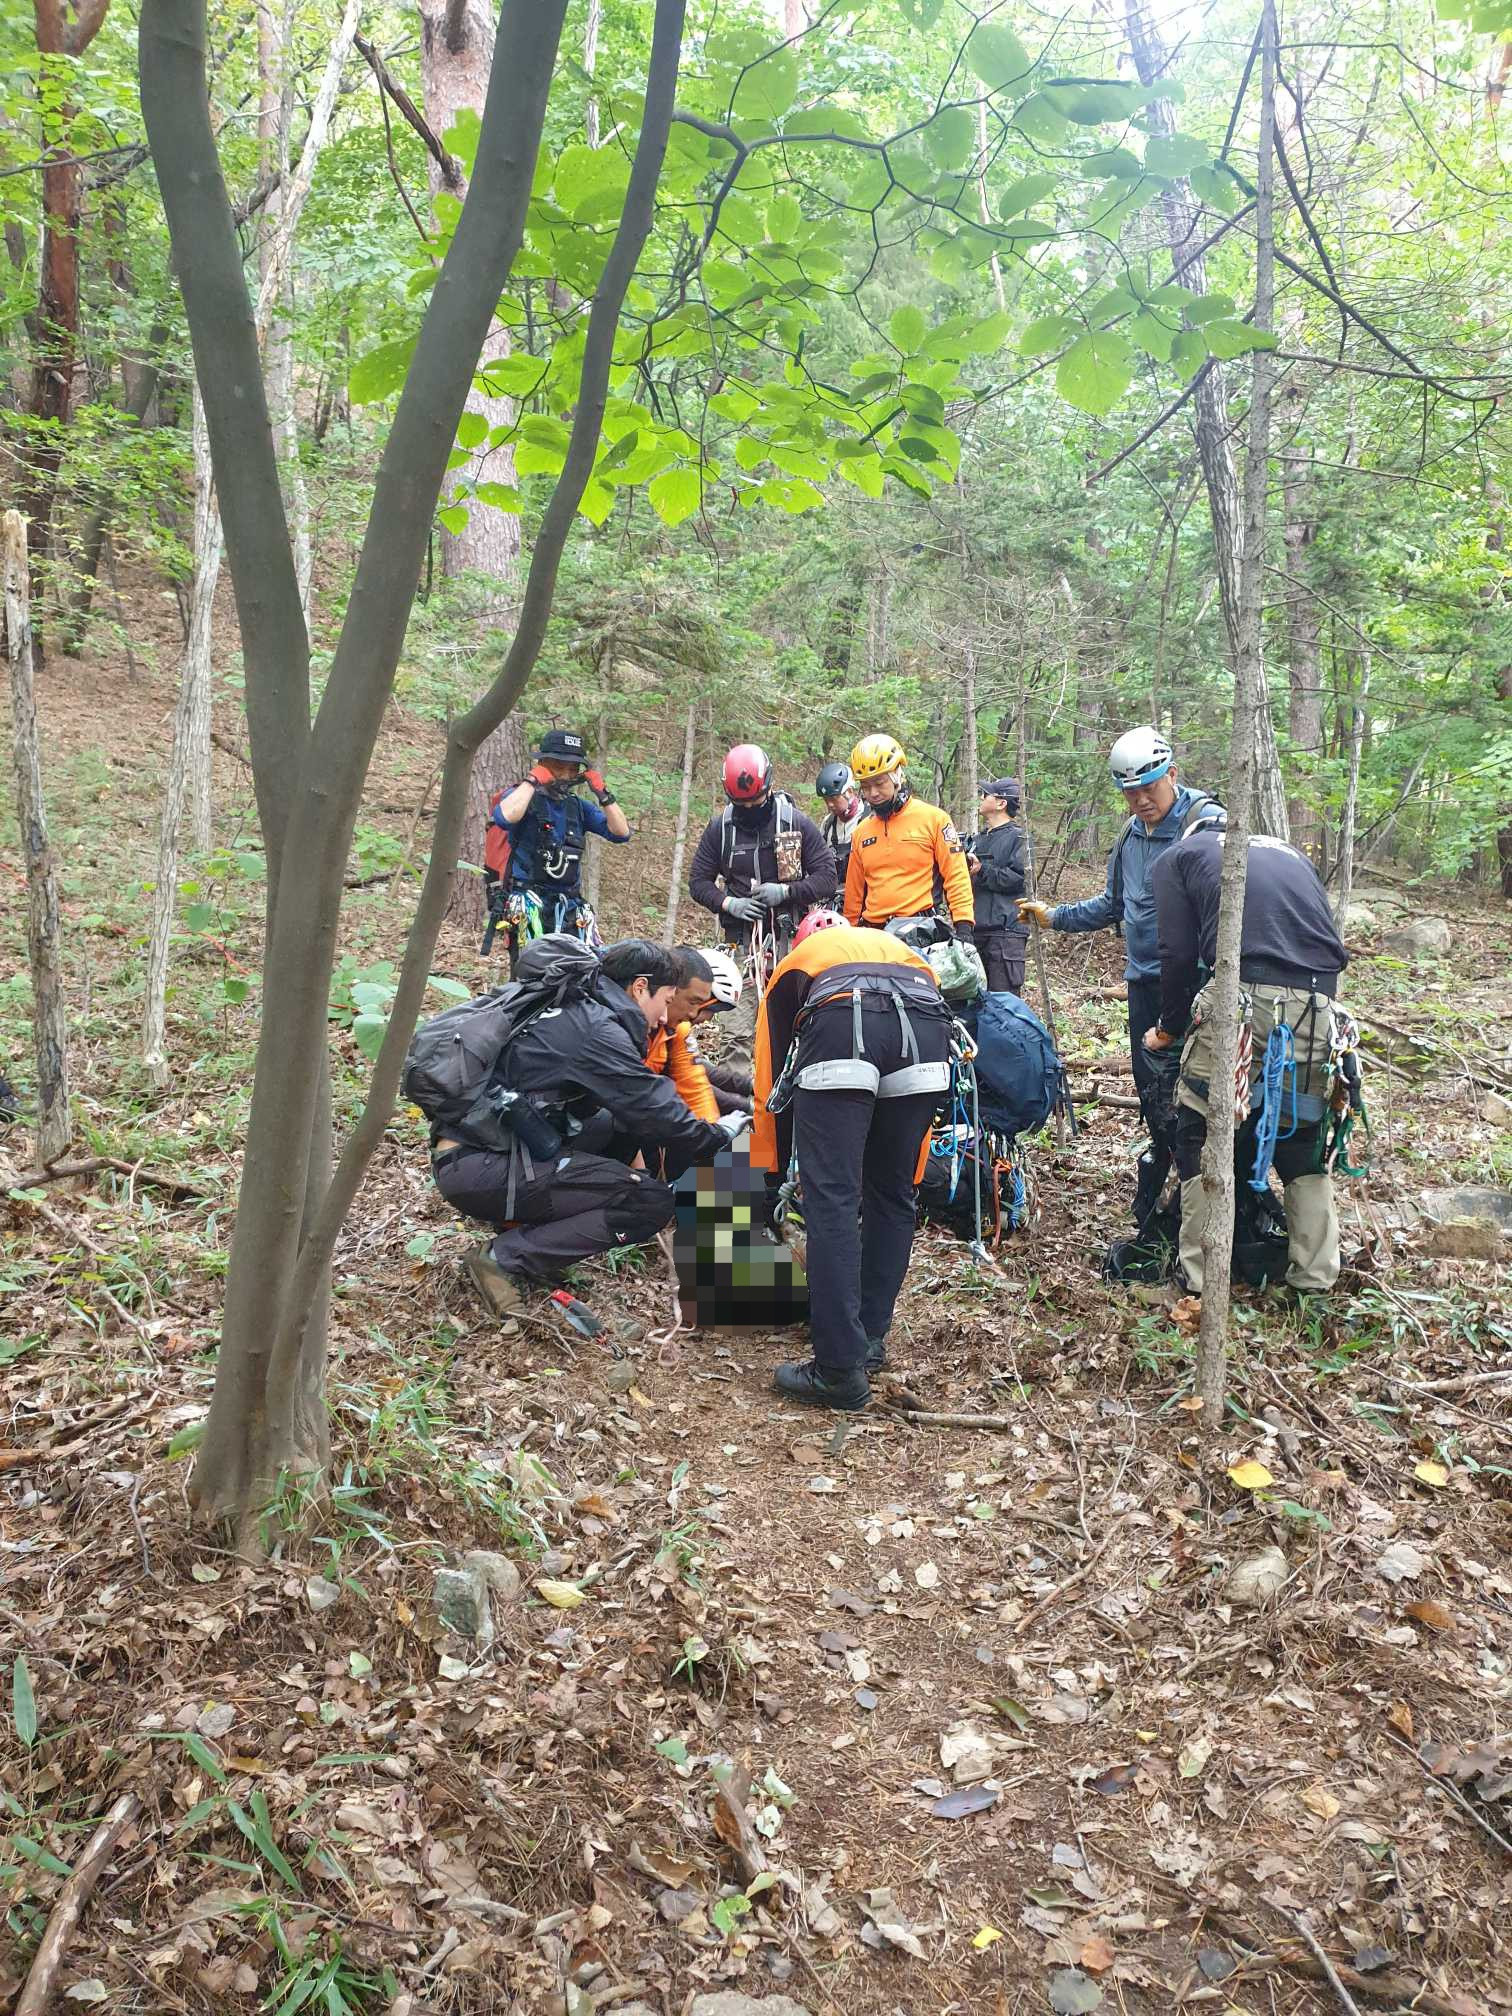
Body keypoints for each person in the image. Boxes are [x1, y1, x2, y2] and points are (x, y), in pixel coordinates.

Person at [432, 937, 745, 1314]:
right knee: (650, 1202)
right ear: (640, 987)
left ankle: (527, 1238)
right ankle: (503, 1258)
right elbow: (655, 1107)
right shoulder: (597, 1029)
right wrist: (718, 1136)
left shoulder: (579, 1010)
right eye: (666, 1001)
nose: (665, 1017)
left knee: (619, 1127)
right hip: (481, 1167)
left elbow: (646, 1108)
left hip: (477, 1153)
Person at [752, 909, 954, 1409]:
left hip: (842, 1021)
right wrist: (908, 1172)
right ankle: (868, 1341)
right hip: (926, 1030)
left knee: (833, 1198)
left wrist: (772, 1169)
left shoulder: (794, 964)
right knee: (893, 1195)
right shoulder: (906, 955)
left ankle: (839, 1369)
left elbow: (770, 1077)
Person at [1146, 808, 1349, 1297]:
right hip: (1318, 1005)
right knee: (1300, 1136)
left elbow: (1175, 953)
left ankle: (1197, 1282)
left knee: (1198, 1130)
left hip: (1240, 996)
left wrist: (1169, 1029)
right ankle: (1314, 1279)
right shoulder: (1289, 853)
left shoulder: (1180, 856)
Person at [1017, 728, 1220, 1209]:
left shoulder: (1206, 825)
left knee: (1198, 1091)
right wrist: (1054, 917)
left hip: (1197, 984)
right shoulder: (1130, 835)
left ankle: (1202, 1195)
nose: (1141, 800)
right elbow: (1114, 905)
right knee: (1152, 1088)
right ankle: (1164, 1182)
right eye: (1131, 793)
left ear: (1172, 774)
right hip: (1144, 980)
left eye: (1150, 787)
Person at [688, 743, 837, 1059]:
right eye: (741, 804)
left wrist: (786, 892)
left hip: (791, 943)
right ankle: (739, 1092)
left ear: (769, 788)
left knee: (794, 1029)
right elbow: (698, 882)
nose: (750, 809)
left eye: (756, 801)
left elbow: (827, 877)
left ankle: (788, 1089)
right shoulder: (721, 830)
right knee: (737, 1035)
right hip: (742, 947)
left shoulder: (795, 823)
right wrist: (729, 903)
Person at [485, 727, 629, 943]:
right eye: (558, 766)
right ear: (543, 763)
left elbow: (621, 833)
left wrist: (604, 794)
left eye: (572, 768)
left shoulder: (578, 807)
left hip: (569, 909)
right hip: (529, 907)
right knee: (531, 963)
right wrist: (532, 781)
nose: (565, 775)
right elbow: (505, 817)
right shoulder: (520, 797)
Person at [842, 733, 975, 943]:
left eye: (879, 783)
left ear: (896, 776)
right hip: (874, 935)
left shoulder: (934, 819)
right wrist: (849, 932)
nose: (873, 793)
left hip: (920, 933)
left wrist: (964, 925)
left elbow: (956, 876)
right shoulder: (861, 832)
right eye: (865, 786)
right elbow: (853, 893)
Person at [968, 778, 1029, 993]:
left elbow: (1019, 878)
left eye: (986, 795)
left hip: (1006, 935)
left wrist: (982, 870)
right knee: (972, 1002)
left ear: (1001, 803)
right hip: (974, 933)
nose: (981, 798)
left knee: (1003, 1003)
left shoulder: (1019, 838)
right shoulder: (976, 840)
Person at [816, 761, 867, 885]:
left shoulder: (868, 818)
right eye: (826, 799)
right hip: (835, 890)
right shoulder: (828, 824)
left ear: (849, 791)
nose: (830, 804)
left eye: (833, 798)